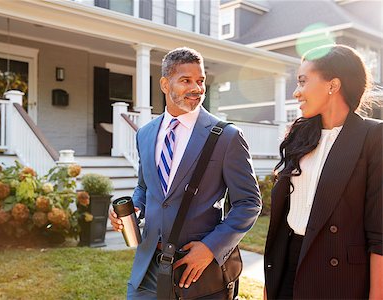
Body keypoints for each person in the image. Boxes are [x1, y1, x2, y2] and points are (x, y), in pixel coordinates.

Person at [109, 47, 262, 299]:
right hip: (147, 268)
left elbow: (249, 203)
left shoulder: (227, 137)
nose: (197, 88)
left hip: (198, 271)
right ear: (165, 84)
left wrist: (211, 248)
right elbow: (145, 188)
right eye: (186, 80)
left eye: (200, 81)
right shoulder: (145, 134)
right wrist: (132, 208)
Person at [264, 44, 383, 299]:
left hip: (338, 277)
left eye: (303, 81)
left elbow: (380, 232)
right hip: (289, 262)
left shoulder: (373, 136)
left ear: (333, 85)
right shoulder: (299, 134)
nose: (296, 92)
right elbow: (283, 215)